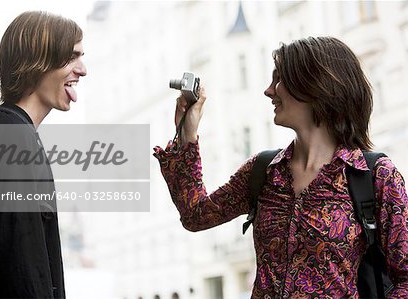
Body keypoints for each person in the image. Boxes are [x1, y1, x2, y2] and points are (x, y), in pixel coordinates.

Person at [154, 36, 407, 298]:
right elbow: (196, 215)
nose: (269, 90)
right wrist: (187, 133)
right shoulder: (263, 171)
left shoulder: (375, 175)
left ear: (315, 85)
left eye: (278, 79)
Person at [0, 11, 86, 298]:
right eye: (72, 56)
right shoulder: (8, 135)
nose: (83, 69)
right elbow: (19, 268)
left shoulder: (13, 133)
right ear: (38, 60)